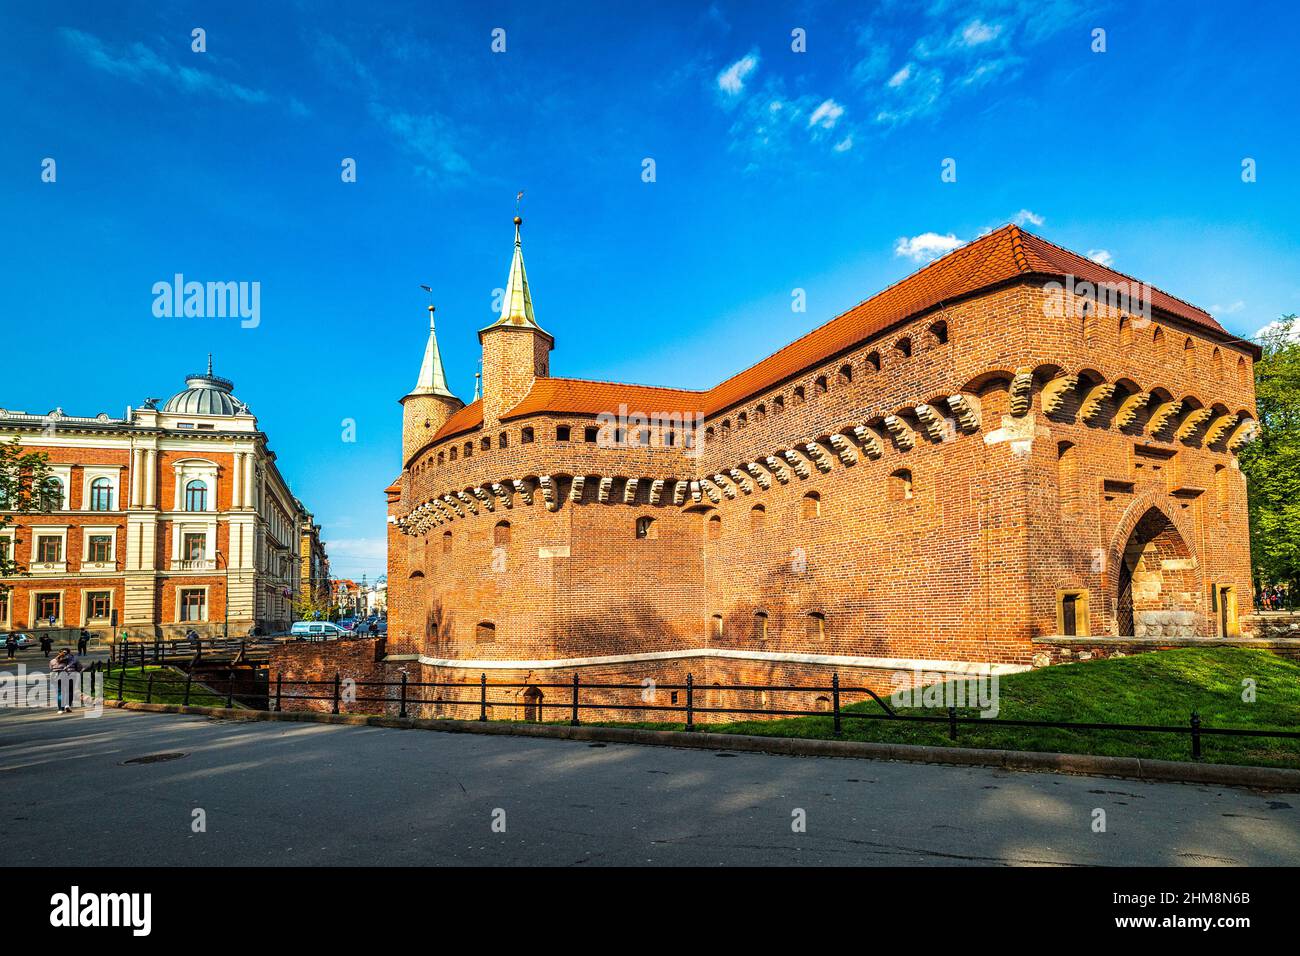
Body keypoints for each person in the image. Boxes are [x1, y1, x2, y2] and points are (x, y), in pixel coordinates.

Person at [49, 648, 83, 713]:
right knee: (70, 691)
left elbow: (51, 668)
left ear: (59, 653)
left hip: (56, 677)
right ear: (69, 653)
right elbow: (79, 667)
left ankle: (60, 709)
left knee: (60, 693)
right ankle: (67, 705)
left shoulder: (53, 660)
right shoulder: (74, 659)